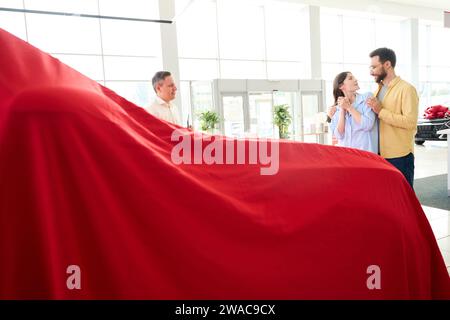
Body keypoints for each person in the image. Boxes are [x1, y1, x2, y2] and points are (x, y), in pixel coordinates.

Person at [366, 47, 418, 188]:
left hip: (399, 156)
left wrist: (381, 111)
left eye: (374, 67)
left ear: (387, 64)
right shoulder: (378, 89)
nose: (371, 72)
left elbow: (410, 122)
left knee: (404, 200)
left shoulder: (407, 89)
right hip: (379, 155)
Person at [330, 71, 378, 154]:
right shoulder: (336, 109)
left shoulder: (367, 97)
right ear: (341, 86)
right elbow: (339, 135)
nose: (356, 80)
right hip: (347, 157)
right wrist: (342, 110)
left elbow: (368, 124)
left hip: (367, 156)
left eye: (354, 77)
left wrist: (349, 107)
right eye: (350, 78)